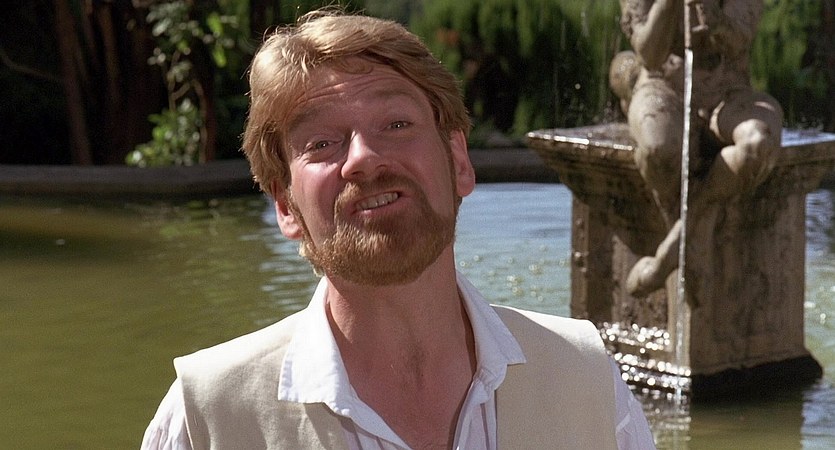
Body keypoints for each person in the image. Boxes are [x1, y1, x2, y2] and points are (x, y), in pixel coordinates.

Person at [141, 9, 656, 449]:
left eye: (396, 124)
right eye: (321, 143)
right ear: (286, 205)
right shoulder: (205, 419)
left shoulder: (588, 380)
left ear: (458, 161)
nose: (364, 158)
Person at [615, 0, 783, 298]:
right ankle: (691, 232)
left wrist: (712, 15)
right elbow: (649, 54)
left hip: (728, 91)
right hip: (660, 86)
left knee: (757, 144)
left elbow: (738, 42)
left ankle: (676, 243)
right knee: (657, 151)